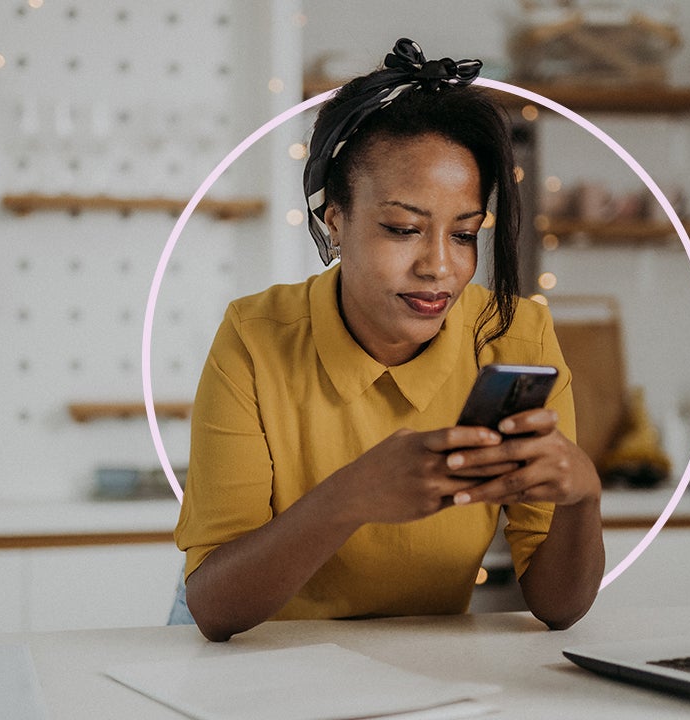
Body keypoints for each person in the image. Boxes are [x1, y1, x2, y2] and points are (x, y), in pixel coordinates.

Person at [175, 38, 604, 642]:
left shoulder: (514, 333)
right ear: (336, 222)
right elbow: (214, 608)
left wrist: (581, 499)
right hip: (260, 662)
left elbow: (560, 607)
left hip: (423, 672)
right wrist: (351, 497)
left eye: (463, 234)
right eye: (403, 229)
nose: (439, 267)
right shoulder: (255, 337)